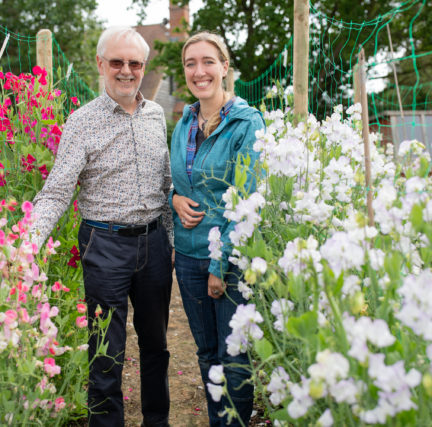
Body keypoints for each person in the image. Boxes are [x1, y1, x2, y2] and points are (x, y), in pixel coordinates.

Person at [29, 26, 173, 427]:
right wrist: (25, 243)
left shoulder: (156, 115)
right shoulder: (82, 122)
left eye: (135, 63)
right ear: (100, 64)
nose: (126, 71)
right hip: (105, 245)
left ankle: (156, 420)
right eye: (117, 62)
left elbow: (166, 183)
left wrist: (171, 242)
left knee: (156, 346)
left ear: (143, 67)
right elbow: (57, 192)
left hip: (154, 244)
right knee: (107, 351)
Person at [169, 32, 264, 426]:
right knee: (207, 354)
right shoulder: (184, 123)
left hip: (227, 259)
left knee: (234, 356)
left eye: (208, 61)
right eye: (191, 63)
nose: (199, 71)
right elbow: (177, 181)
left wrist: (219, 263)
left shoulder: (246, 123)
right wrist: (174, 197)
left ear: (225, 67)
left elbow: (248, 197)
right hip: (188, 255)